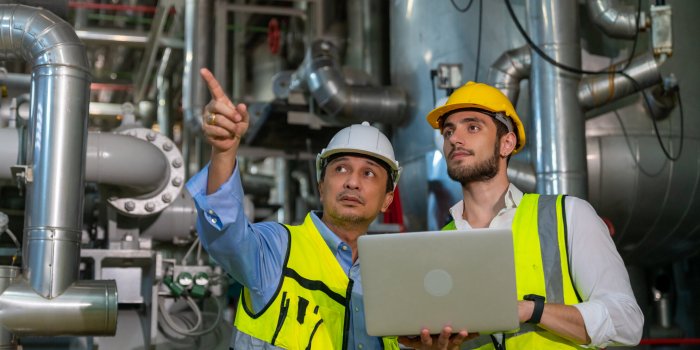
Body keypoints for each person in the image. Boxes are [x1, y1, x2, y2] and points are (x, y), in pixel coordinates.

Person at [187, 68, 468, 350]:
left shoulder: (394, 281)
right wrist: (224, 152)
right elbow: (224, 236)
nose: (352, 182)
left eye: (369, 174)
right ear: (321, 186)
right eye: (341, 168)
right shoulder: (275, 249)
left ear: (387, 199)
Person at [417, 81, 644, 349]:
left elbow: (627, 322)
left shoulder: (568, 216)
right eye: (448, 132)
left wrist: (533, 311)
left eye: (473, 127)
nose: (455, 138)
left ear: (506, 143)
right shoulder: (437, 244)